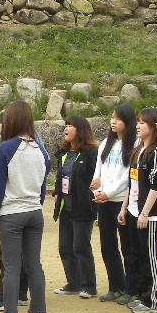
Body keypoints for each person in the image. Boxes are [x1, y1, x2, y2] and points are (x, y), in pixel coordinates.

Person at [0, 100, 48, 313]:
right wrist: (37, 203)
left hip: (12, 212)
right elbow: (43, 184)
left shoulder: (6, 148)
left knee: (11, 266)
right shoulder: (40, 149)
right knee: (34, 265)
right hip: (34, 211)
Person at [119, 107, 157, 313]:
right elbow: (131, 182)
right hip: (134, 210)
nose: (138, 126)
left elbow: (156, 186)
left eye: (142, 123)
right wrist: (124, 208)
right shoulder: (138, 150)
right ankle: (142, 295)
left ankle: (153, 300)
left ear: (154, 126)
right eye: (138, 122)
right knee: (138, 255)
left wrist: (145, 213)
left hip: (149, 214)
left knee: (150, 256)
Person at [90, 104, 139, 304]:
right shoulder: (105, 143)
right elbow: (98, 172)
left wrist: (108, 193)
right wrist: (97, 192)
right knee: (108, 245)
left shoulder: (135, 144)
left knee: (128, 247)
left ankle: (132, 289)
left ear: (128, 121)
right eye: (112, 118)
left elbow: (128, 176)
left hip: (122, 202)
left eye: (118, 118)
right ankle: (116, 286)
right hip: (104, 201)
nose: (113, 122)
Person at [53, 116, 99, 299]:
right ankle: (73, 283)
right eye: (66, 125)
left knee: (81, 246)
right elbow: (61, 177)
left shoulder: (91, 153)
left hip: (83, 206)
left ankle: (89, 286)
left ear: (80, 130)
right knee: (65, 247)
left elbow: (96, 178)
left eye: (71, 126)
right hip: (65, 206)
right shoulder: (64, 153)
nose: (66, 128)